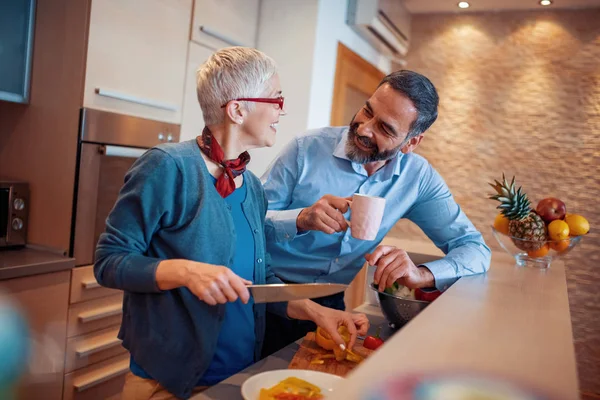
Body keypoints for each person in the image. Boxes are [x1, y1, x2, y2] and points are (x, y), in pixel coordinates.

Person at [94, 47, 369, 400]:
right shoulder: (167, 167)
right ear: (237, 109)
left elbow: (261, 283)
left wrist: (316, 312)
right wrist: (186, 272)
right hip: (169, 383)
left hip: (241, 374)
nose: (281, 110)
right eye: (274, 99)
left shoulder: (252, 186)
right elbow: (109, 261)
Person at [261, 70, 491, 357]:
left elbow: (476, 249)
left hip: (331, 304)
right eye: (367, 111)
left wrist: (422, 274)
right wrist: (300, 219)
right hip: (270, 295)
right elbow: (247, 225)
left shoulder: (417, 178)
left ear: (411, 142)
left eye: (385, 128)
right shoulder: (305, 149)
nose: (364, 129)